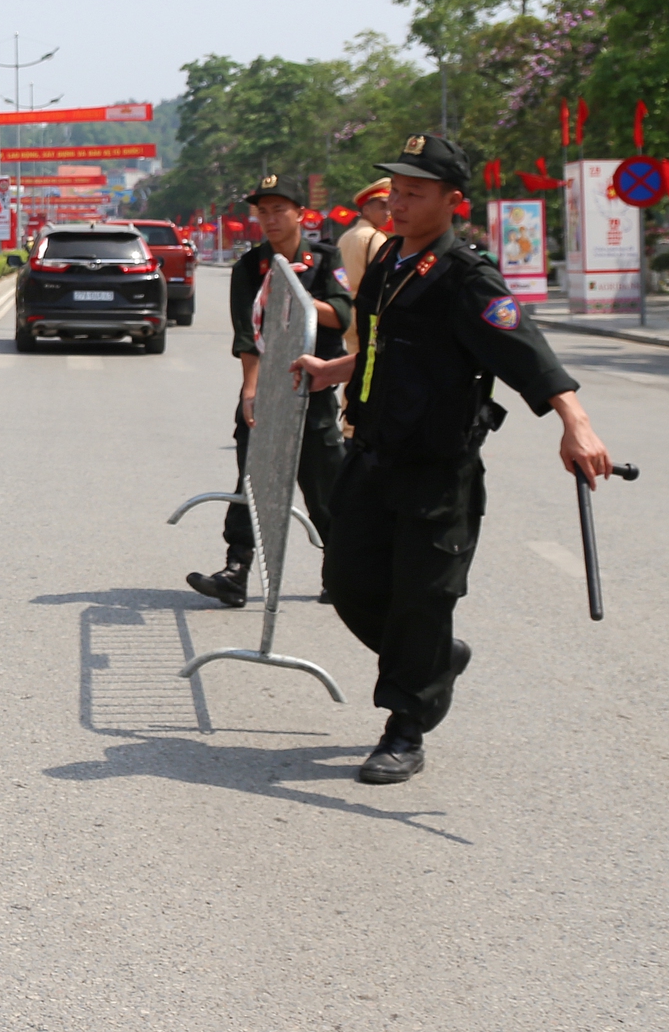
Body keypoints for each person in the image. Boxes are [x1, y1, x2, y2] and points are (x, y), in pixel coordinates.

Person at [291, 134, 615, 786]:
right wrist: (335, 369)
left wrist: (576, 425)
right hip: (371, 454)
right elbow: (385, 347)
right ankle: (434, 659)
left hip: (436, 470)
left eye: (414, 193)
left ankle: (404, 728)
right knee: (348, 583)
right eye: (395, 191)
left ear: (452, 201)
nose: (398, 203)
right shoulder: (388, 262)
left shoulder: (468, 277)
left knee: (422, 598)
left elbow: (527, 350)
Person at [187, 172, 352, 608]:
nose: (271, 218)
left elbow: (342, 315)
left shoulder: (324, 259)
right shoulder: (249, 266)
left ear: (300, 214)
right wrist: (250, 391)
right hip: (267, 384)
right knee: (252, 479)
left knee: (325, 484)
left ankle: (340, 573)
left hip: (314, 385)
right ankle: (236, 570)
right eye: (264, 211)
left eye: (280, 209)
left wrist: (294, 296)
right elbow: (247, 336)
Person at [335, 179, 392, 357]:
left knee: (350, 360)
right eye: (382, 206)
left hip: (345, 311)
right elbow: (384, 279)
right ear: (366, 210)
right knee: (368, 363)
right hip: (366, 314)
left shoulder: (345, 237)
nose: (388, 212)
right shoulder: (376, 238)